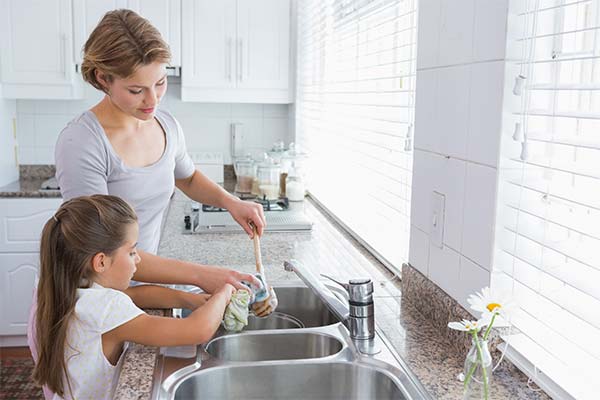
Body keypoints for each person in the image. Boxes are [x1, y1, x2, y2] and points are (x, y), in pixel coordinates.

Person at [53, 9, 268, 293]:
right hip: (93, 297)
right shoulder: (82, 142)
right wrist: (201, 276)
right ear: (103, 78)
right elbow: (103, 252)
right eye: (136, 90)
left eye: (160, 82)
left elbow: (187, 178)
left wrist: (231, 202)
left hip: (140, 286)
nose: (152, 100)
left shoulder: (165, 125)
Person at [32, 195, 237, 399]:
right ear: (101, 262)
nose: (138, 259)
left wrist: (188, 299)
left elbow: (137, 294)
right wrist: (225, 291)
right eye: (131, 252)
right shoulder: (107, 308)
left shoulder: (76, 291)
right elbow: (197, 330)